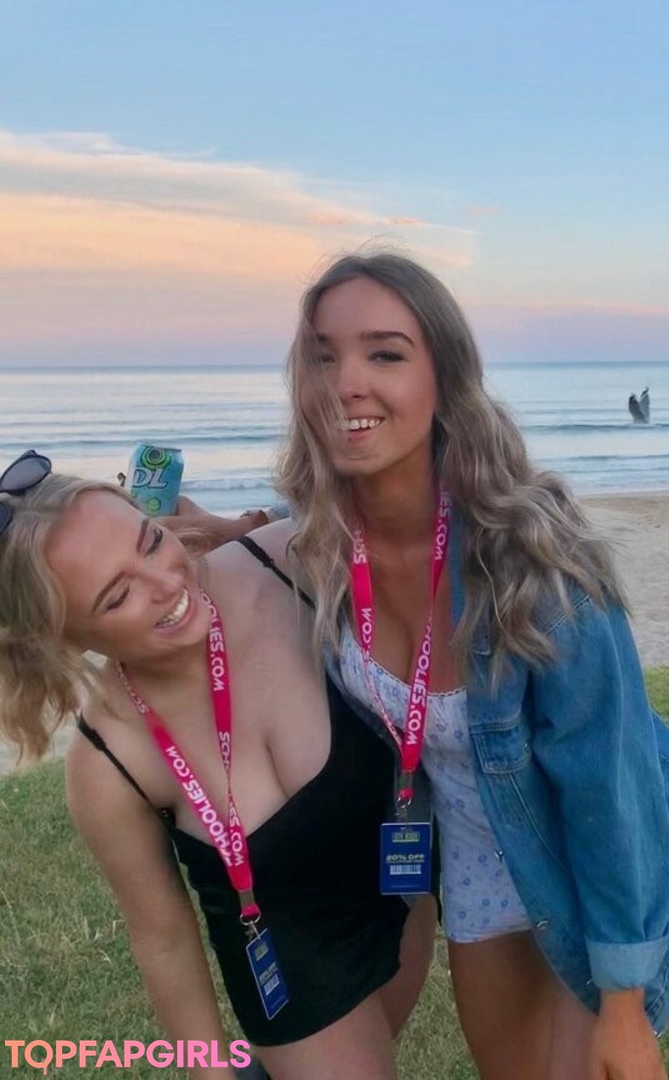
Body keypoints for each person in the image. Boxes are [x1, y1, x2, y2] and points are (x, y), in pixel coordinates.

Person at [268, 251, 669, 1080]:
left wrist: (623, 1002)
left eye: (385, 354)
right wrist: (213, 534)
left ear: (445, 378)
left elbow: (611, 788)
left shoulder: (537, 562)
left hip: (582, 867)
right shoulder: (321, 545)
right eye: (323, 356)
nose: (345, 383)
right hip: (473, 862)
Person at [0, 453, 435, 1080]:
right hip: (295, 967)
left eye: (152, 542)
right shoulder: (110, 762)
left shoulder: (285, 564)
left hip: (409, 894)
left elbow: (424, 526)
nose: (166, 584)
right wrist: (209, 1072)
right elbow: (163, 939)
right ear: (64, 637)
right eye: (118, 595)